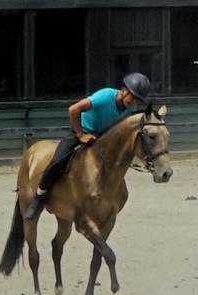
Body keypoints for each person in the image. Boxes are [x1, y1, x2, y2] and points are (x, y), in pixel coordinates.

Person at [30, 72, 156, 209]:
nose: (135, 102)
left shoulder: (129, 108)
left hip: (103, 138)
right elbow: (73, 109)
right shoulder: (105, 96)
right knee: (57, 161)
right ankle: (39, 197)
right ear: (124, 90)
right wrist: (80, 135)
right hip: (82, 131)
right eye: (134, 97)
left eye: (138, 100)